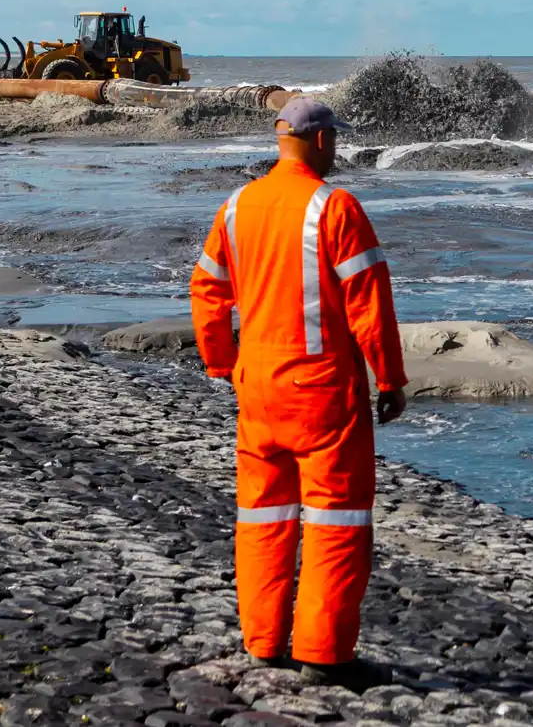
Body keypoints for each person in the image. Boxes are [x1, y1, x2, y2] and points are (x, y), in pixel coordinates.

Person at [189, 97, 408, 691]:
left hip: (256, 388)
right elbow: (369, 302)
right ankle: (324, 653)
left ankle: (262, 642)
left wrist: (221, 364)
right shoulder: (334, 207)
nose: (336, 148)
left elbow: (207, 291)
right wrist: (389, 378)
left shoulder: (236, 206)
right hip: (322, 391)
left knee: (262, 516)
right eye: (333, 139)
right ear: (320, 142)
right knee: (336, 521)